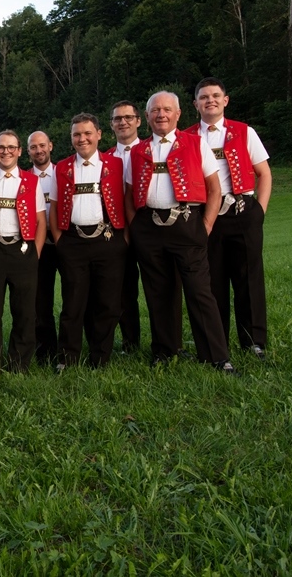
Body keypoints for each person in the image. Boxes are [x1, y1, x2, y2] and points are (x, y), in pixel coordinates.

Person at [123, 92, 235, 373]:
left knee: (199, 292)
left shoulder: (196, 144)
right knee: (158, 292)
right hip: (148, 228)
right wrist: (136, 226)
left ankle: (216, 356)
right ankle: (164, 350)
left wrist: (206, 225)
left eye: (166, 110)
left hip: (186, 225)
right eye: (155, 110)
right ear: (146, 117)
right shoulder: (137, 151)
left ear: (178, 114)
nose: (161, 114)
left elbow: (214, 189)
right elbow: (127, 192)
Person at [188, 76, 272, 358]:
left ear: (225, 100)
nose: (210, 100)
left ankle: (254, 342)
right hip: (206, 217)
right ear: (195, 104)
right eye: (203, 97)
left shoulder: (244, 131)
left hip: (242, 213)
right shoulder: (187, 138)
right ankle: (218, 342)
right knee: (213, 283)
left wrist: (258, 211)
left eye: (215, 95)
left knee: (249, 280)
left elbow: (264, 174)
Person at [50, 114, 127, 369]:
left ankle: (100, 357)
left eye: (87, 133)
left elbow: (127, 201)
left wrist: (123, 239)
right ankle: (67, 358)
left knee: (107, 302)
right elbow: (55, 207)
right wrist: (60, 240)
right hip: (72, 241)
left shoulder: (116, 164)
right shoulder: (61, 167)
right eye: (76, 135)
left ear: (99, 134)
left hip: (108, 239)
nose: (82, 139)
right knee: (73, 302)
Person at [107, 102, 183, 354]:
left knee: (164, 287)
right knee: (123, 290)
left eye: (128, 117)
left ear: (139, 121)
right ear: (111, 125)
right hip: (119, 235)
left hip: (153, 230)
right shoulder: (105, 159)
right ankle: (130, 344)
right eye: (117, 119)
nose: (123, 122)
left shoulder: (151, 149)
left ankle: (171, 343)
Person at [0, 130, 47, 373]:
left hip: (22, 249)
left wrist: (35, 251)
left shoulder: (32, 181)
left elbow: (41, 221)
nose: (6, 151)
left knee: (24, 312)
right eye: (1, 147)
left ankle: (19, 364)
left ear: (19, 151)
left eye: (11, 147)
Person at [27, 130, 59, 366]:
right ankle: (45, 351)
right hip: (38, 245)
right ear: (27, 152)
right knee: (40, 301)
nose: (39, 150)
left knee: (74, 297)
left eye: (42, 145)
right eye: (33, 147)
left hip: (64, 241)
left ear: (50, 146)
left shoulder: (64, 172)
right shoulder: (24, 179)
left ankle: (70, 347)